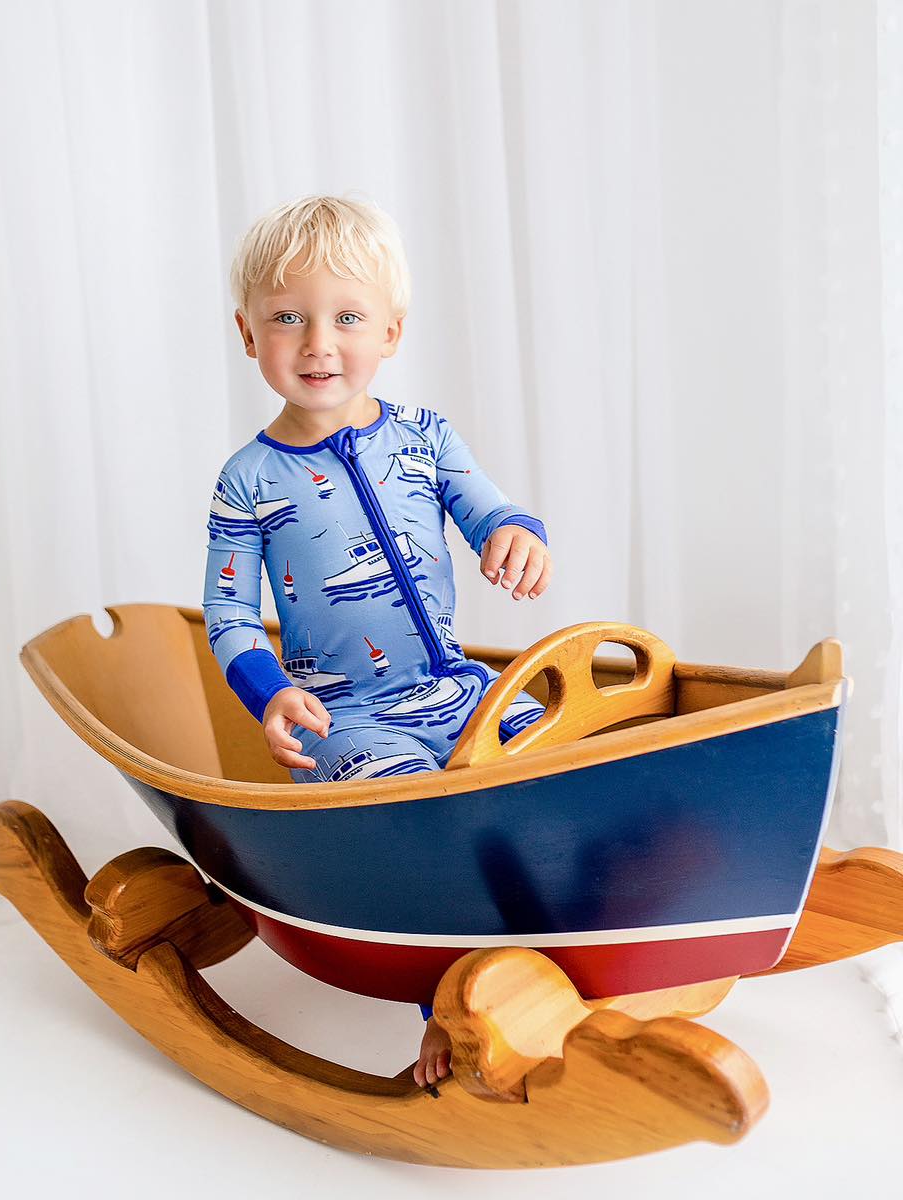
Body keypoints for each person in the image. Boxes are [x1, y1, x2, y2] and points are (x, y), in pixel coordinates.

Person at [202, 194, 553, 1090]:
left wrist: (517, 535)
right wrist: (270, 692)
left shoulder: (425, 439)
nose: (319, 342)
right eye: (288, 318)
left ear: (391, 331)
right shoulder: (248, 480)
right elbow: (232, 615)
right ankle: (441, 1001)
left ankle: (566, 953)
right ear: (249, 335)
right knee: (417, 827)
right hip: (350, 719)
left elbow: (489, 512)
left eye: (347, 317)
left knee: (566, 771)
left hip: (462, 692)